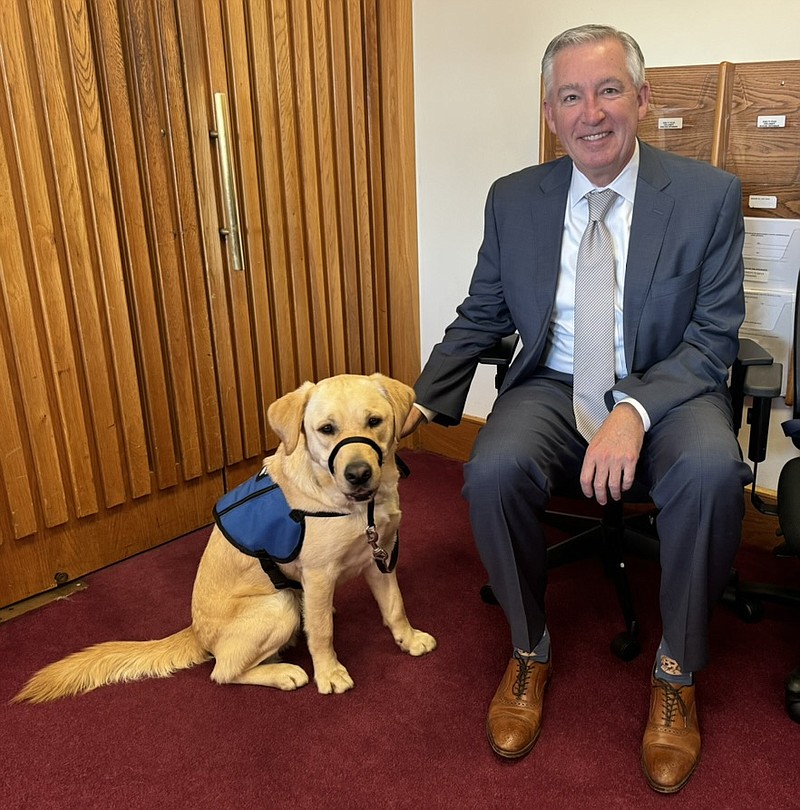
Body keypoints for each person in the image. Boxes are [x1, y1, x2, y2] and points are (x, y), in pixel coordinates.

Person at [401, 24, 753, 794]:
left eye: (608, 90)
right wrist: (413, 401)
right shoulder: (514, 198)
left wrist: (633, 409)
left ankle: (676, 670)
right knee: (490, 467)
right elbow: (482, 313)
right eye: (571, 96)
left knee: (714, 470)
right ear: (552, 114)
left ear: (642, 98)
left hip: (667, 383)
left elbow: (713, 336)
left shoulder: (707, 196)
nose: (591, 113)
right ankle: (528, 649)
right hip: (554, 385)